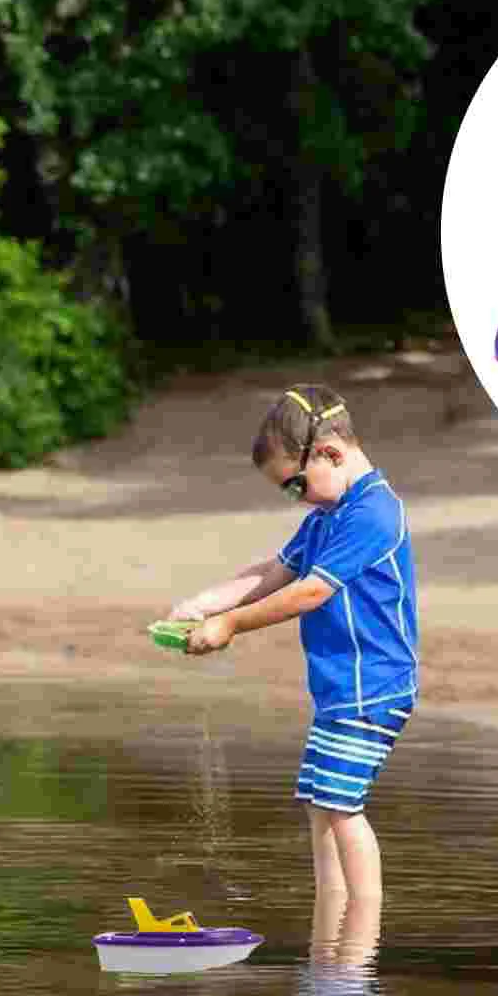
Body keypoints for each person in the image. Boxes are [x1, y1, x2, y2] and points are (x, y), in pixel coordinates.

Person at [169, 386, 418, 926]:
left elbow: (309, 592)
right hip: (338, 692)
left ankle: (359, 946)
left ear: (329, 452)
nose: (298, 499)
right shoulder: (327, 518)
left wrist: (230, 624)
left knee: (342, 810)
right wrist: (200, 606)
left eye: (295, 485)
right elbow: (270, 574)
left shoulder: (373, 512)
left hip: (372, 688)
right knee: (320, 806)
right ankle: (328, 930)